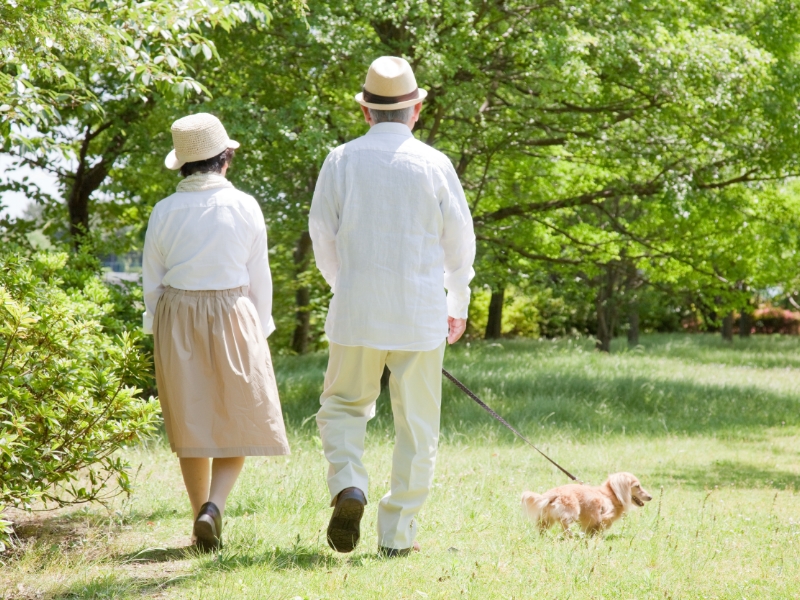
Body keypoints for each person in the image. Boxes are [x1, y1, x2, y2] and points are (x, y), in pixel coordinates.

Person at [309, 56, 476, 557]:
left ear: (365, 112)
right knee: (417, 428)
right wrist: (458, 298)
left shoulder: (340, 160)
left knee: (342, 407)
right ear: (417, 109)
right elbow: (459, 243)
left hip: (356, 309)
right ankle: (398, 536)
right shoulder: (434, 163)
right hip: (420, 312)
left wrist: (347, 284)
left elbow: (322, 234)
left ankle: (349, 485)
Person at [142, 113, 290, 551]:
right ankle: (215, 507)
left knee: (192, 420)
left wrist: (159, 329)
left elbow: (152, 280)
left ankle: (197, 518)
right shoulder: (245, 205)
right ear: (225, 159)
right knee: (238, 416)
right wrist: (261, 329)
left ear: (183, 165)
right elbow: (258, 275)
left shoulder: (164, 210)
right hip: (233, 310)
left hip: (177, 314)